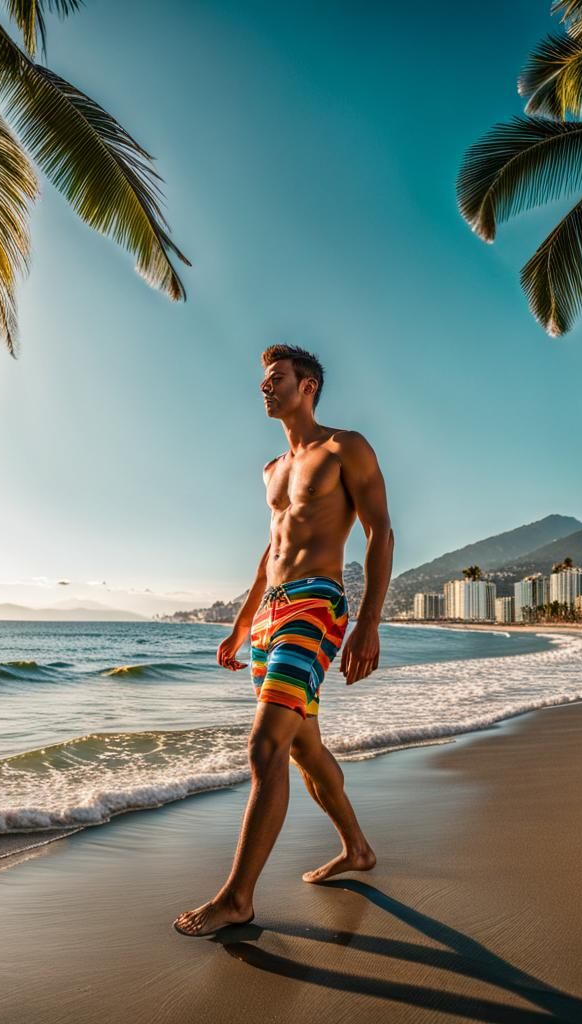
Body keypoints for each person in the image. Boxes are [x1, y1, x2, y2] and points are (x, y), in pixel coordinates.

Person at [173, 344, 394, 937]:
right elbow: (272, 550)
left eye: (276, 379)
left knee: (264, 748)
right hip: (273, 615)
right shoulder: (272, 470)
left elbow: (379, 531)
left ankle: (237, 898)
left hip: (317, 605)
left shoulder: (346, 447)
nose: (265, 389)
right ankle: (357, 849)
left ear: (308, 386)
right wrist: (242, 624)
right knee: (301, 747)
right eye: (263, 381)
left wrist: (368, 621)